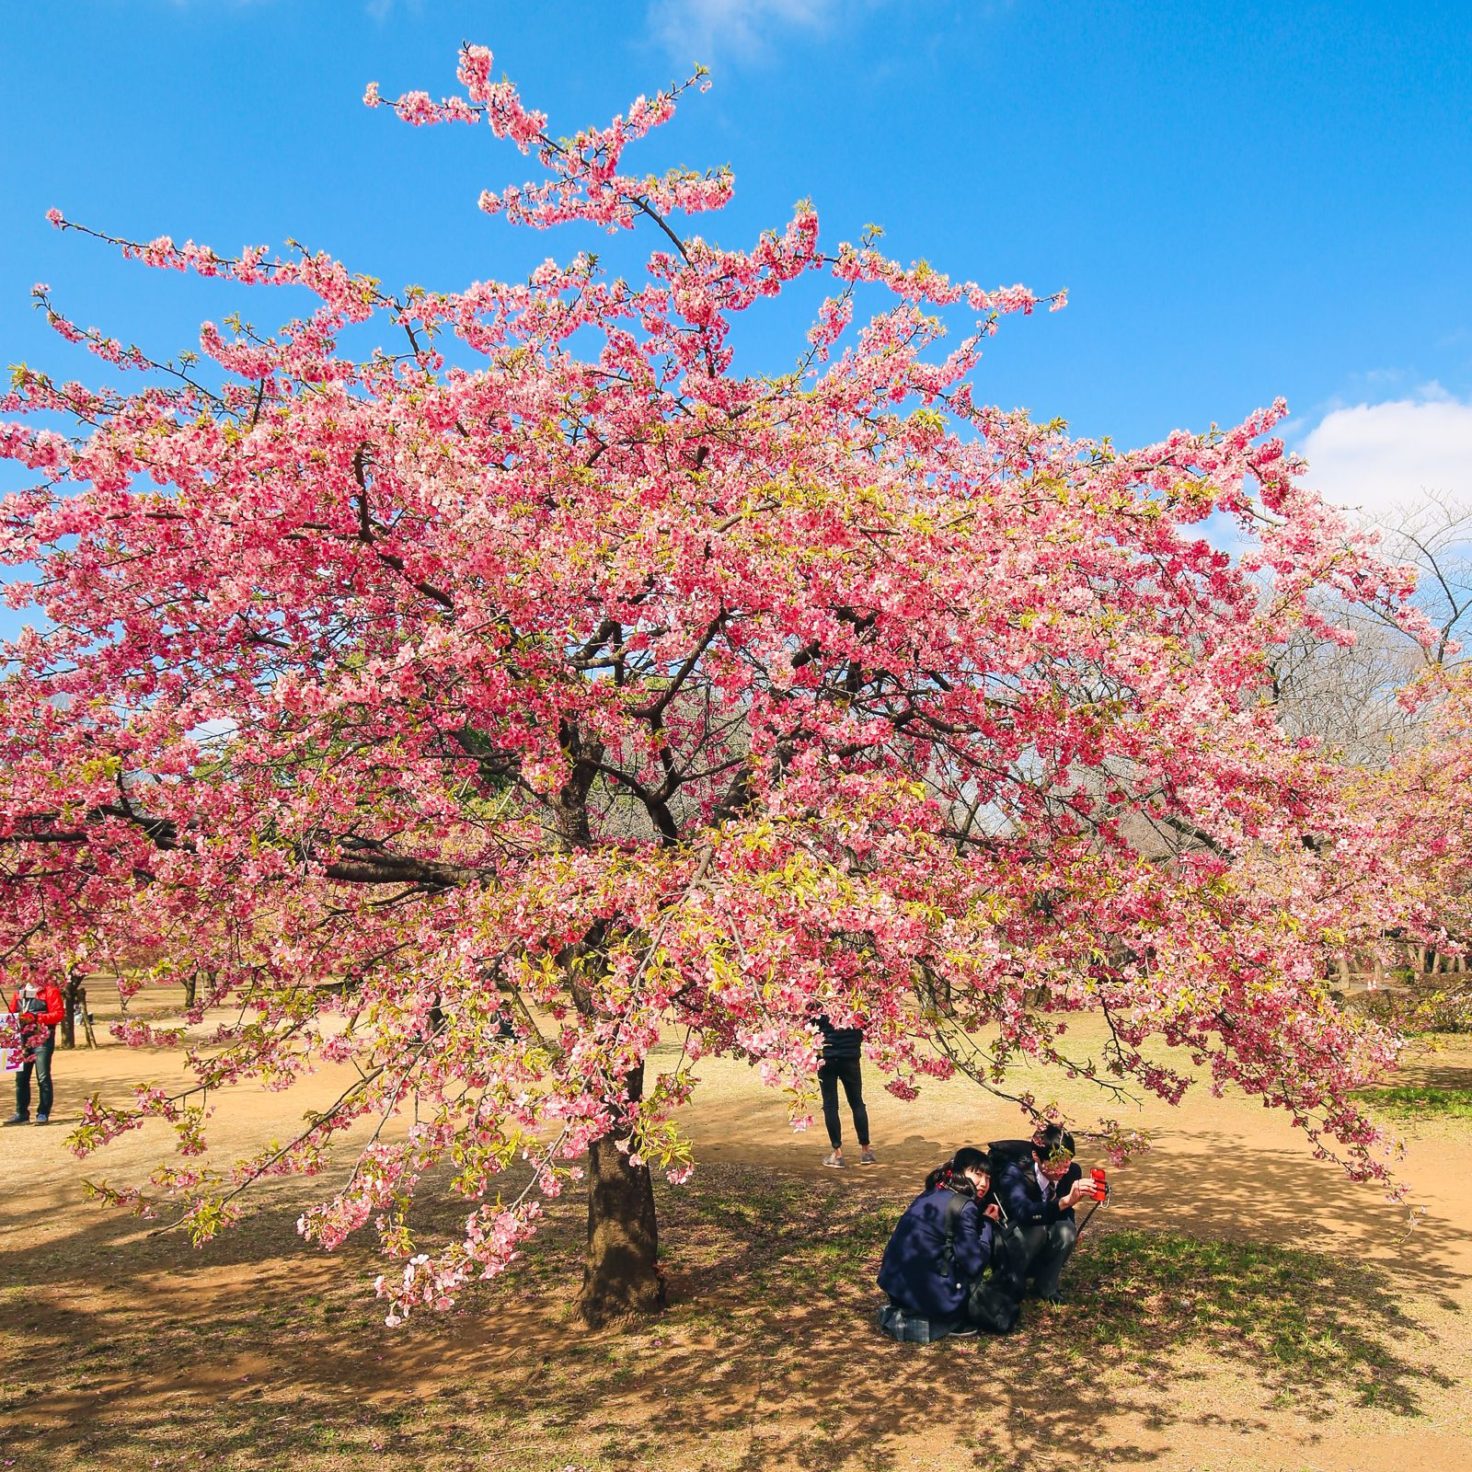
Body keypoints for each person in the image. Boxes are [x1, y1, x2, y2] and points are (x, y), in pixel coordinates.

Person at [876, 1146, 1002, 1341]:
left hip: (895, 1286)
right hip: (928, 1294)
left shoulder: (932, 1191)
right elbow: (974, 1262)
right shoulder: (964, 1206)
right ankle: (946, 1319)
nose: (984, 1183)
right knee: (974, 1275)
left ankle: (915, 1311)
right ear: (960, 1171)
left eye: (988, 1177)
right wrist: (987, 1223)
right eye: (977, 1174)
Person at [993, 1124, 1093, 1304]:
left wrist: (1072, 1231)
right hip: (1011, 1238)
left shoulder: (1072, 1172)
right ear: (1036, 1157)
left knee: (1067, 1230)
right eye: (1055, 1163)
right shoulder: (1015, 1173)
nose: (1062, 1170)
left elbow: (1066, 1213)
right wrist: (1065, 1201)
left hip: (1041, 1235)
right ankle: (1008, 1283)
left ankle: (1047, 1286)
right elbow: (1024, 1213)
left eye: (1066, 1162)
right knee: (1037, 1228)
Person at [815, 1013, 874, 1167]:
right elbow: (866, 1024)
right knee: (857, 1103)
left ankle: (837, 1153)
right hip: (850, 1057)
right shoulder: (854, 1000)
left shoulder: (817, 1000)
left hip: (826, 1058)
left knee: (830, 1105)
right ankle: (866, 1151)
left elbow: (808, 1028)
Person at [5, 978, 66, 1126]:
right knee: (21, 1078)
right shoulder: (19, 992)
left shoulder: (50, 991)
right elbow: (12, 1013)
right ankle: (21, 1113)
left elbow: (58, 1014)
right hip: (22, 1039)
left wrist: (37, 1018)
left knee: (43, 1076)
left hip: (42, 1038)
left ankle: (43, 1112)